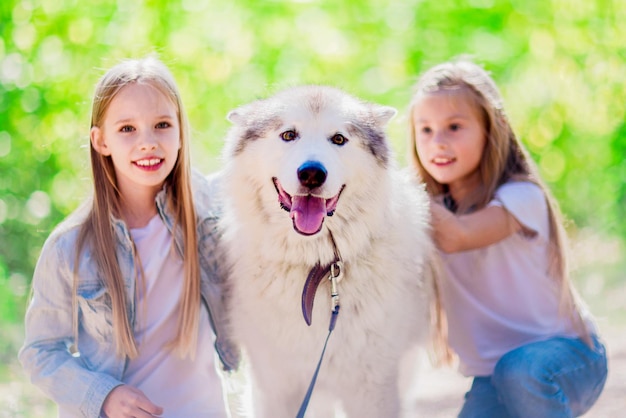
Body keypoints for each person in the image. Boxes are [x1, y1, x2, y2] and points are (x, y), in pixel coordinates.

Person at [19, 56, 239, 418]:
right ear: (100, 140)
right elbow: (40, 351)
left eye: (162, 125)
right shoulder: (70, 247)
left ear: (181, 131)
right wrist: (103, 395)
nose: (148, 142)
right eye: (127, 129)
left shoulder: (212, 210)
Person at [407, 59, 608, 417]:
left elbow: (458, 235)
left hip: (568, 359)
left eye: (454, 127)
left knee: (520, 370)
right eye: (425, 129)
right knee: (509, 373)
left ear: (492, 127)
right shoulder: (429, 209)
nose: (437, 141)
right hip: (493, 377)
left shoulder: (520, 197)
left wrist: (395, 188)